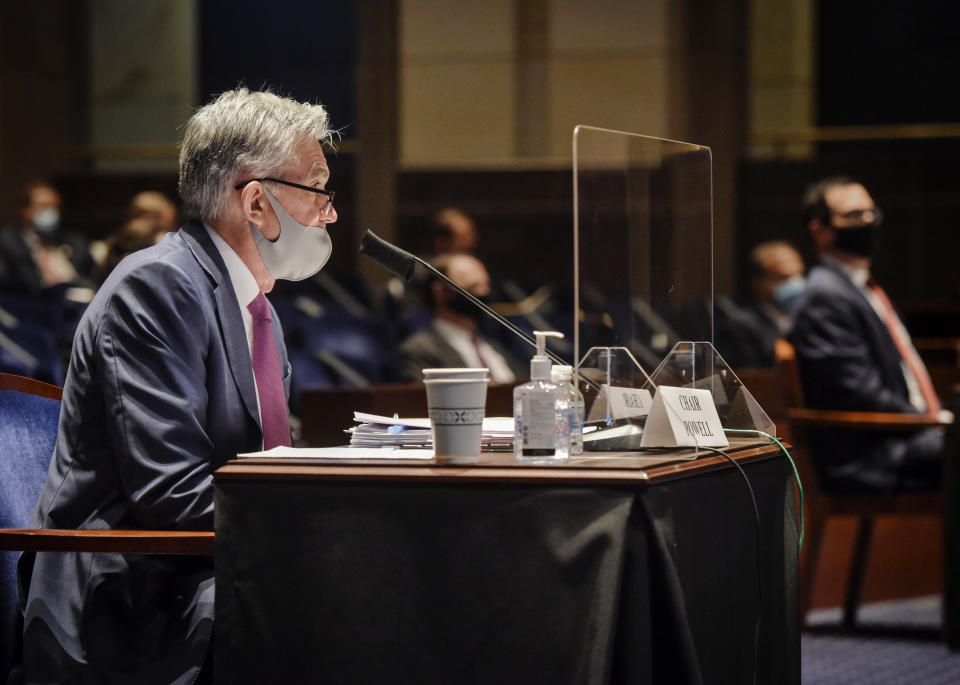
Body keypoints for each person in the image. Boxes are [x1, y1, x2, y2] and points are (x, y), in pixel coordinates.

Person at [18, 87, 338, 684]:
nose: (331, 212)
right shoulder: (159, 288)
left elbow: (265, 468)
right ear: (256, 202)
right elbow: (171, 496)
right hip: (129, 600)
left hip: (207, 572)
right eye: (319, 188)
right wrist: (324, 518)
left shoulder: (253, 306)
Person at [788, 175, 946, 493]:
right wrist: (934, 422)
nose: (869, 222)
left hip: (903, 436)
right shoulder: (825, 296)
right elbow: (860, 393)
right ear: (820, 230)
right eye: (854, 216)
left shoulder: (858, 286)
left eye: (871, 213)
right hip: (872, 454)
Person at [397, 252, 523, 383]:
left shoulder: (495, 346)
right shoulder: (419, 350)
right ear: (440, 291)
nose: (484, 293)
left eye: (486, 286)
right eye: (474, 287)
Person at [715, 241, 806, 368]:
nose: (796, 283)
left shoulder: (806, 319)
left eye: (800, 274)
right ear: (758, 282)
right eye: (784, 278)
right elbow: (752, 378)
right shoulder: (740, 326)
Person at [0, 180, 94, 292]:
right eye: (43, 206)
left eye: (55, 206)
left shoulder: (76, 242)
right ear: (25, 210)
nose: (50, 212)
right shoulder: (8, 243)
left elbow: (92, 280)